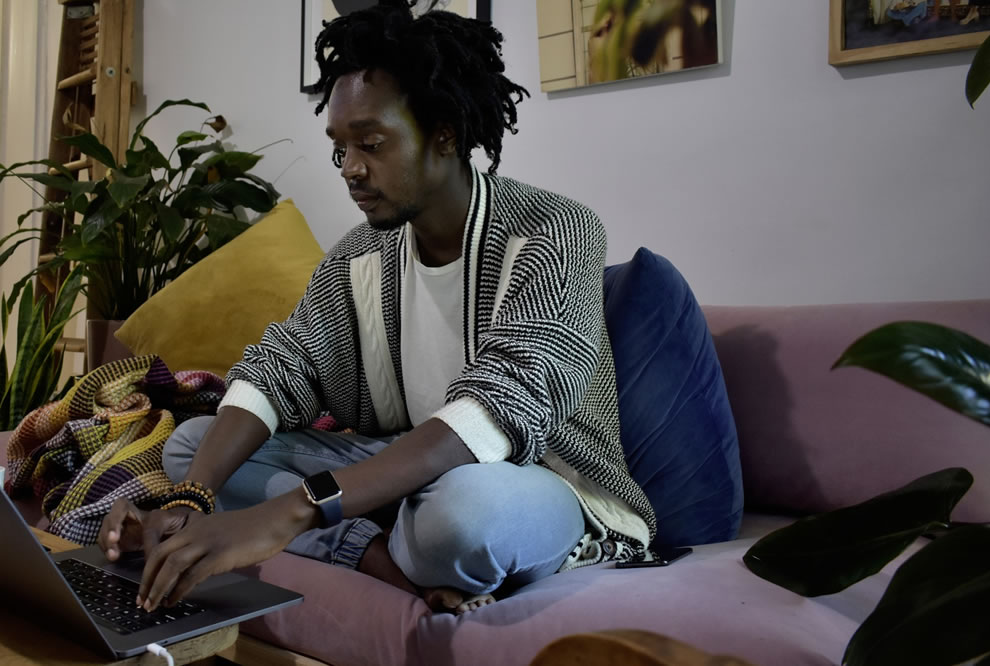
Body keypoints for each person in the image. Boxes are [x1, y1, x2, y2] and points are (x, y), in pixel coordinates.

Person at [98, 0, 656, 615]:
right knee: (193, 447)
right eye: (340, 147)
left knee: (462, 519)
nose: (351, 169)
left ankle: (383, 529)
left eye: (370, 143)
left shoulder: (554, 230)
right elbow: (282, 366)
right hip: (394, 466)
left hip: (540, 477)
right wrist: (192, 503)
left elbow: (501, 406)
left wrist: (290, 513)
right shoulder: (359, 256)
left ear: (444, 132)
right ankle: (378, 552)